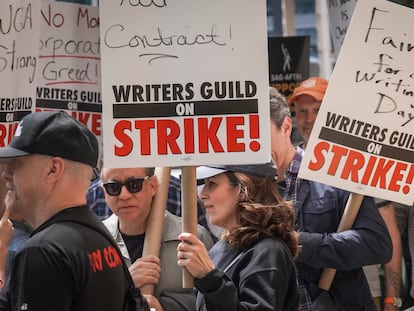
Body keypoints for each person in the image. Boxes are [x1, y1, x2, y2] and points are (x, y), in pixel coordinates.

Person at [0, 111, 148, 310]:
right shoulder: (102, 237)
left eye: (16, 163)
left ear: (54, 169)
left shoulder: (43, 251)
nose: (6, 173)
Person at [270, 86, 392, 310]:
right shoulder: (245, 188)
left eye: (261, 136)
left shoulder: (334, 173)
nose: (254, 147)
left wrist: (301, 243)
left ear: (286, 126)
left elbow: (377, 245)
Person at [176, 163, 300, 311]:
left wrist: (209, 278)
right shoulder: (219, 249)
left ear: (243, 188)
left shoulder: (268, 252)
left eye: (212, 184)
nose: (202, 195)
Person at [101, 166, 215, 311]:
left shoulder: (192, 237)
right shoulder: (94, 242)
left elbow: (215, 300)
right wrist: (125, 285)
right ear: (104, 192)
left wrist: (165, 306)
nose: (124, 195)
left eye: (134, 185)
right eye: (113, 187)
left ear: (153, 185)